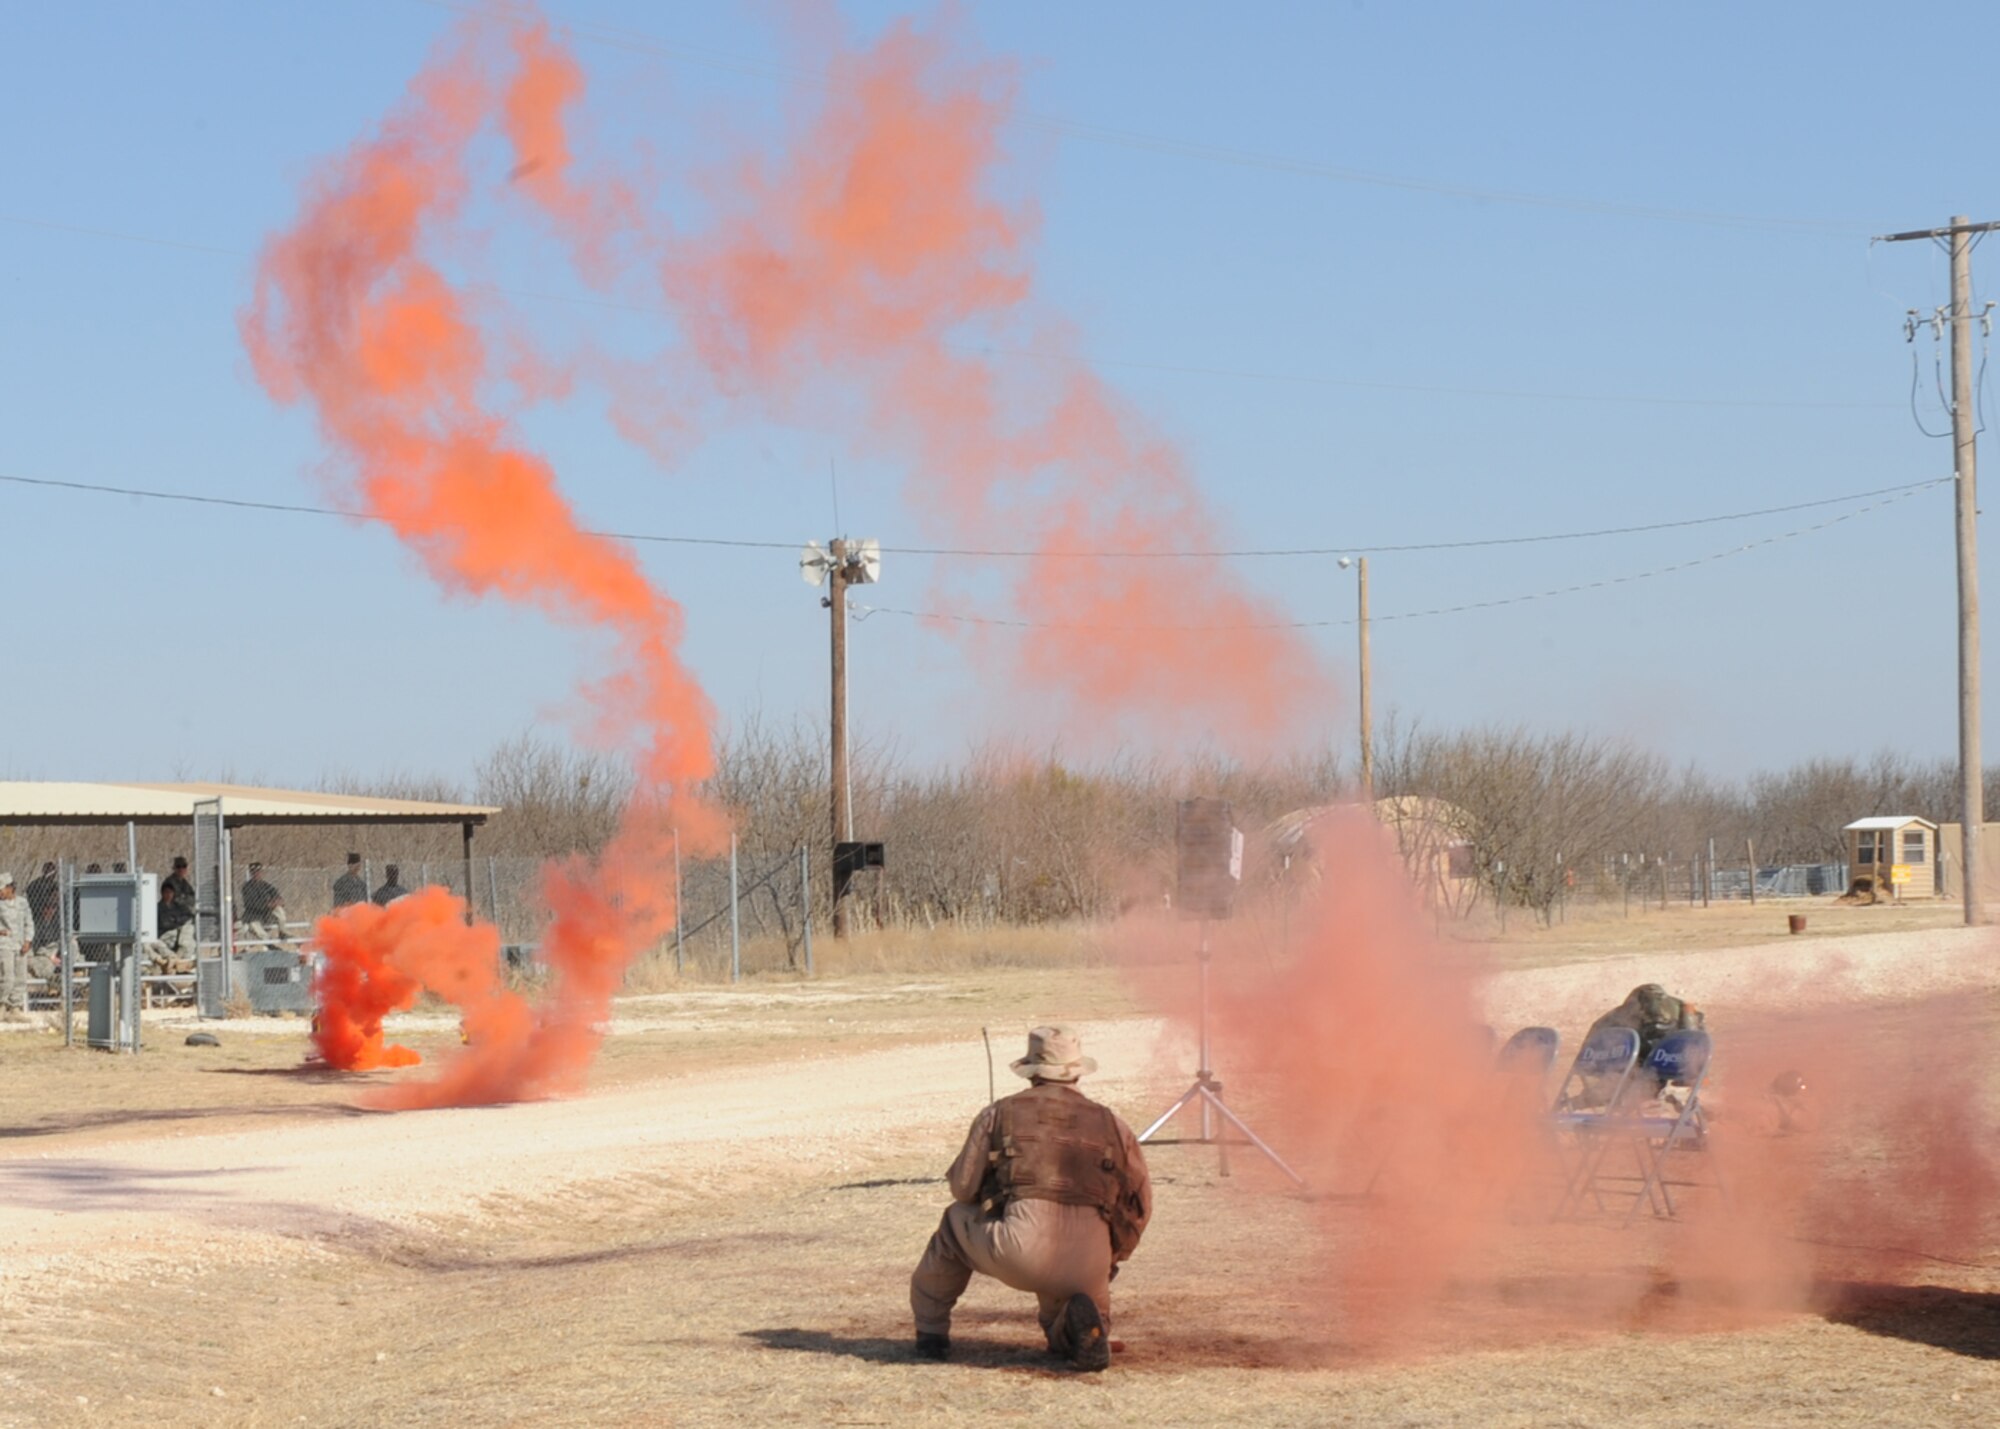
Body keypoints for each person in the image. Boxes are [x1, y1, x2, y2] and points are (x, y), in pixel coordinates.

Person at [908, 1025, 1151, 1371]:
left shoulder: (999, 1113)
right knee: (1069, 1291)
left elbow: (963, 1189)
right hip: (1090, 1263)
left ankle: (931, 1335)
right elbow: (1140, 1205)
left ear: (1031, 1071)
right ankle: (1076, 1328)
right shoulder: (1114, 1123)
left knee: (953, 1221)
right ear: (1077, 1072)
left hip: (1019, 1249)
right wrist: (1112, 1258)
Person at [0, 873, 37, 1017]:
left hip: (20, 945)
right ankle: (2, 1005)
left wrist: (28, 940)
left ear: (10, 888)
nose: (1, 892)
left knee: (20, 977)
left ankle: (15, 1007)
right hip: (4, 945)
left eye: (2, 889)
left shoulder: (22, 903)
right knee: (7, 976)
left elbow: (29, 922)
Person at [145, 881, 199, 970]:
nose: (168, 895)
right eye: (166, 892)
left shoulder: (178, 907)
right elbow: (164, 923)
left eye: (170, 892)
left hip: (176, 936)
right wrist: (175, 922)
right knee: (148, 944)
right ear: (162, 893)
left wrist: (176, 921)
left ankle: (176, 961)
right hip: (163, 936)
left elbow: (187, 918)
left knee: (188, 933)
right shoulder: (157, 908)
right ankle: (175, 960)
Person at [239, 862, 287, 946]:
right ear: (250, 873)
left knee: (279, 910)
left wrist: (278, 902)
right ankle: (269, 943)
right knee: (254, 926)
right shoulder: (247, 887)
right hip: (253, 916)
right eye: (253, 872)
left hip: (267, 915)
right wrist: (268, 904)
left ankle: (282, 932)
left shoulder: (266, 886)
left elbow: (279, 898)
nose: (256, 874)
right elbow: (252, 904)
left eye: (258, 872)